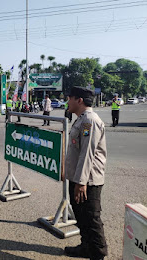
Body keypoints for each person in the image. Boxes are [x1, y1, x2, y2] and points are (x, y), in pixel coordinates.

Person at [64, 86, 108, 260]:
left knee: (91, 219)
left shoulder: (90, 121)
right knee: (81, 217)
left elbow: (87, 153)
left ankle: (98, 254)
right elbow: (75, 150)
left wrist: (81, 182)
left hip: (88, 181)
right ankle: (86, 247)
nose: (67, 102)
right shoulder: (80, 119)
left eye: (70, 98)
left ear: (79, 100)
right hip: (78, 177)